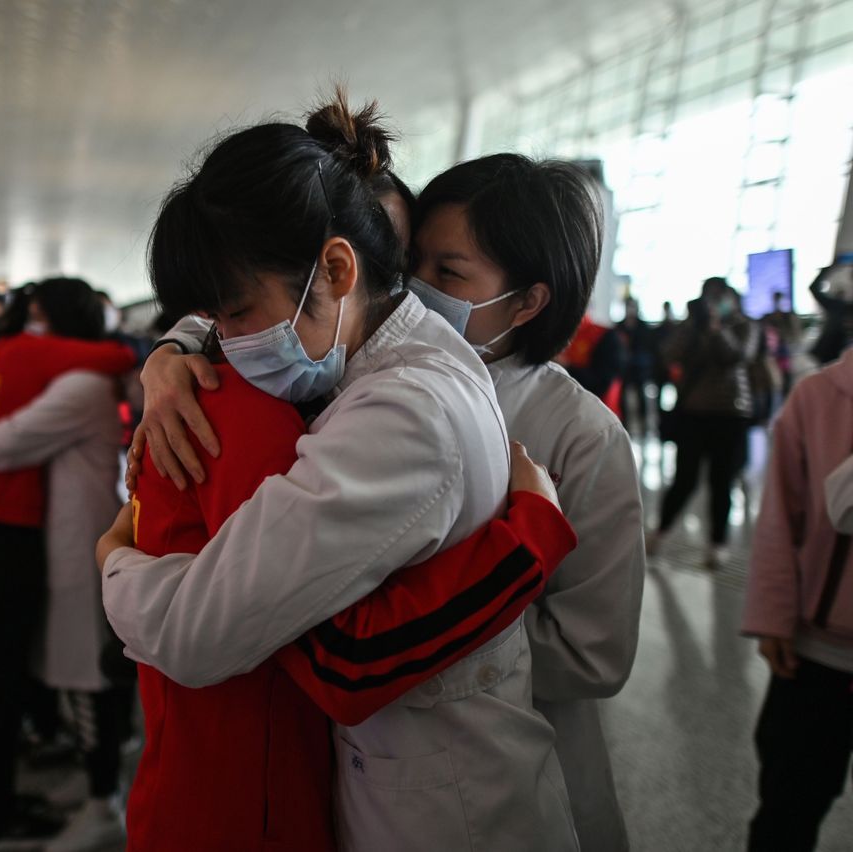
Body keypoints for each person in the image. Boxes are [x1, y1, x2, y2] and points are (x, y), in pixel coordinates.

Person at [99, 93, 577, 850]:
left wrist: (114, 562)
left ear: (337, 266)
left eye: (237, 314)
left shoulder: (402, 413)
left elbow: (199, 635)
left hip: (446, 813)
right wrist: (171, 353)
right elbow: (232, 315)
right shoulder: (384, 341)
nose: (230, 341)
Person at [407, 153, 646, 851]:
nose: (416, 290)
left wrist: (403, 632)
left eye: (447, 274)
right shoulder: (370, 385)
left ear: (527, 301)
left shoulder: (579, 435)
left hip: (515, 772)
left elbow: (595, 652)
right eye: (412, 263)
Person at [0, 283, 137, 850]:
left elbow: (6, 443)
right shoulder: (84, 375)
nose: (30, 326)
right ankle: (99, 783)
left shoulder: (78, 384)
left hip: (79, 543)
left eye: (36, 316)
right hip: (81, 533)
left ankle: (104, 802)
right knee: (89, 667)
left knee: (87, 672)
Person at [743, 344, 853, 852]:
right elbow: (779, 520)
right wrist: (773, 617)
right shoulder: (819, 396)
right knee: (790, 802)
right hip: (816, 649)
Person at [650, 276, 758, 567]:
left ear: (732, 299)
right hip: (694, 413)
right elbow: (667, 354)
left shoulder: (744, 326)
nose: (715, 304)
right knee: (684, 478)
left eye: (720, 298)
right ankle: (660, 531)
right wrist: (691, 327)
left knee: (721, 480)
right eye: (709, 298)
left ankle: (717, 543)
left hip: (731, 415)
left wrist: (716, 329)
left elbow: (737, 356)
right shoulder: (691, 328)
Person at [618, 297, 656, 434]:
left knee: (641, 396)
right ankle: (624, 425)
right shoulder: (620, 326)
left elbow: (648, 346)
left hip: (639, 367)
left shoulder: (642, 326)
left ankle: (644, 424)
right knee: (623, 396)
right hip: (625, 368)